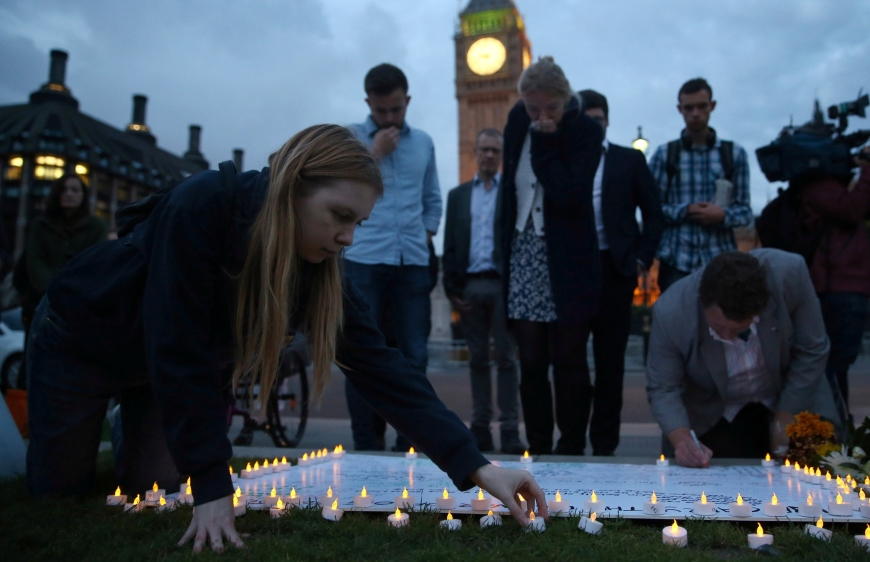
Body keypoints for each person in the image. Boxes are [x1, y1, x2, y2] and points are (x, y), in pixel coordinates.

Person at [26, 125, 548, 553]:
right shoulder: (203, 203)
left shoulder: (317, 267)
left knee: (153, 488)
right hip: (83, 342)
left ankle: (134, 421)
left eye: (359, 224)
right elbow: (177, 344)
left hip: (161, 368)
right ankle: (121, 418)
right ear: (294, 186)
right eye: (341, 217)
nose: (348, 238)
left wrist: (477, 466)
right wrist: (212, 485)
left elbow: (383, 369)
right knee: (59, 491)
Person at [496, 57, 603, 456]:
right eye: (532, 108)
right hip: (523, 253)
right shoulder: (514, 121)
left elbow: (568, 195)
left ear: (565, 99)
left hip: (568, 259)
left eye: (550, 108)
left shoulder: (586, 130)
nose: (540, 115)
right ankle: (538, 447)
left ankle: (572, 446)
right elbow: (509, 190)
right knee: (532, 362)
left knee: (570, 363)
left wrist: (544, 141)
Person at [646, 250, 840, 468]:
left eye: (739, 328)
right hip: (711, 412)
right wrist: (682, 439)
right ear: (702, 301)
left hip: (793, 394)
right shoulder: (672, 311)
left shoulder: (789, 273)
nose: (728, 337)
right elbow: (663, 388)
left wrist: (786, 418)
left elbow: (812, 348)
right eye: (719, 328)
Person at [345, 63, 442, 452]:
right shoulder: (351, 137)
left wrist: (426, 233)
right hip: (365, 259)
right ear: (368, 102)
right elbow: (341, 185)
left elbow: (432, 200)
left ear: (407, 101)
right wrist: (374, 153)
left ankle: (409, 444)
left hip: (413, 262)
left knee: (414, 355)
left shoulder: (425, 142)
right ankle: (367, 445)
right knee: (360, 355)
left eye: (396, 109)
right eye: (381, 110)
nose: (389, 118)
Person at [577, 89, 664, 456]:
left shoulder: (629, 160)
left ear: (607, 120)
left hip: (616, 270)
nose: (593, 126)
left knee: (610, 364)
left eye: (598, 119)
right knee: (572, 364)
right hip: (576, 273)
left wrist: (641, 260)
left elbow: (654, 214)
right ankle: (570, 443)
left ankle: (604, 446)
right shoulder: (568, 162)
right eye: (586, 120)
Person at [443, 128, 524, 454]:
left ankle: (509, 430)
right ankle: (479, 427)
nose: (489, 155)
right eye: (484, 149)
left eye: (495, 150)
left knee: (506, 358)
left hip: (503, 285)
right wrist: (452, 287)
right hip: (470, 285)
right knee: (477, 359)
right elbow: (450, 242)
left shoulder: (513, 192)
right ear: (475, 152)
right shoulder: (458, 195)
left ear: (500, 155)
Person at [798, 145, 870, 424]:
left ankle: (835, 425)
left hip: (847, 284)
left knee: (838, 365)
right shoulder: (818, 188)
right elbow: (853, 209)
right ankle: (831, 427)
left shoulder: (836, 189)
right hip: (834, 287)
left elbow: (869, 208)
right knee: (831, 365)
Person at [649, 78, 752, 292]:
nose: (695, 113)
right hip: (677, 259)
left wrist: (722, 215)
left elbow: (745, 211)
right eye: (689, 107)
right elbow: (652, 209)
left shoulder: (734, 154)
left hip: (721, 260)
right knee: (677, 324)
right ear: (680, 109)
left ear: (712, 106)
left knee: (724, 324)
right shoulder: (664, 155)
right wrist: (685, 210)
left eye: (701, 106)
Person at [22, 173, 107, 354]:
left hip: (77, 311)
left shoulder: (97, 227)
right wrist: (51, 291)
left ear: (83, 195)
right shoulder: (40, 225)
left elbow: (92, 265)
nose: (69, 194)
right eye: (64, 189)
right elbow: (35, 262)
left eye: (75, 190)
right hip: (38, 306)